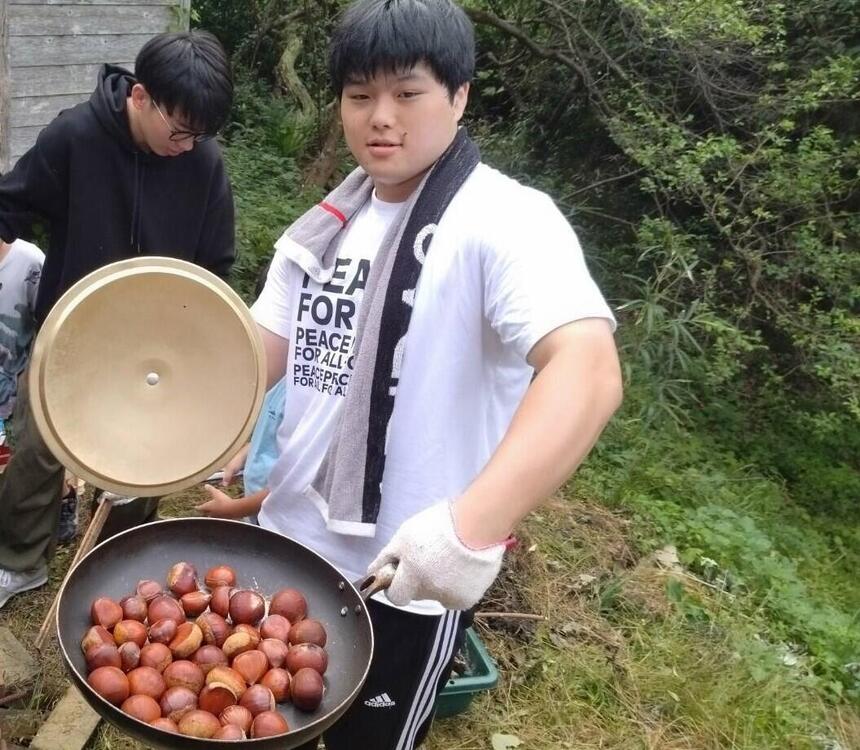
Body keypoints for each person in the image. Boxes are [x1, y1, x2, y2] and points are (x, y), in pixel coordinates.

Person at [248, 1, 623, 747]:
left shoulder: (506, 220)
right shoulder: (323, 225)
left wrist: (469, 530)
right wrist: (159, 424)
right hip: (283, 549)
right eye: (359, 96)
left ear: (459, 96)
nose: (380, 117)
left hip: (401, 580)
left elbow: (588, 369)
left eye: (407, 93)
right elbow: (260, 357)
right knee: (258, 728)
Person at [0, 30, 236, 610]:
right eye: (178, 129)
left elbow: (216, 265)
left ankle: (117, 565)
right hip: (71, 335)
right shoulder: (75, 137)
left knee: (143, 460)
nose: (187, 144)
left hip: (157, 344)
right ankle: (17, 562)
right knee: (38, 449)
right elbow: (9, 207)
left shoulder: (202, 163)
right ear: (139, 96)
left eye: (199, 133)